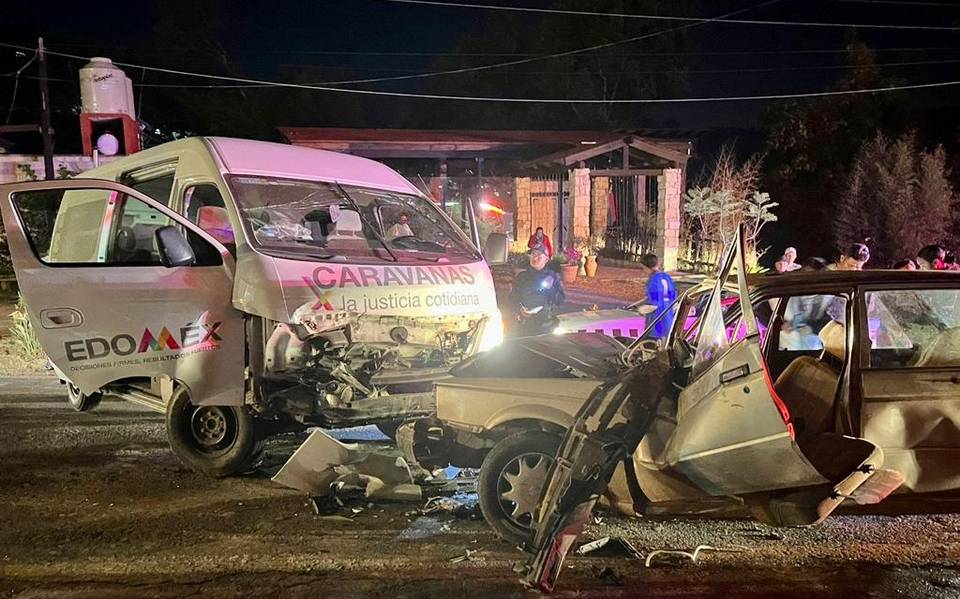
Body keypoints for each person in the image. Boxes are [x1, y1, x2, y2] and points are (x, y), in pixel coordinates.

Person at [508, 247, 565, 336]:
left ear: (546, 259)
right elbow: (512, 299)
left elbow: (560, 301)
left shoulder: (552, 277)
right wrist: (520, 310)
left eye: (539, 256)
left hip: (546, 326)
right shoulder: (522, 276)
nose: (535, 258)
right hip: (526, 326)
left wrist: (551, 289)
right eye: (533, 254)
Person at [640, 253, 677, 340]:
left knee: (649, 348)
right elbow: (673, 299)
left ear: (647, 267)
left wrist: (641, 310)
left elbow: (654, 304)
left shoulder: (653, 281)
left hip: (656, 324)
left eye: (643, 268)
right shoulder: (667, 278)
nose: (643, 271)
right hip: (668, 322)